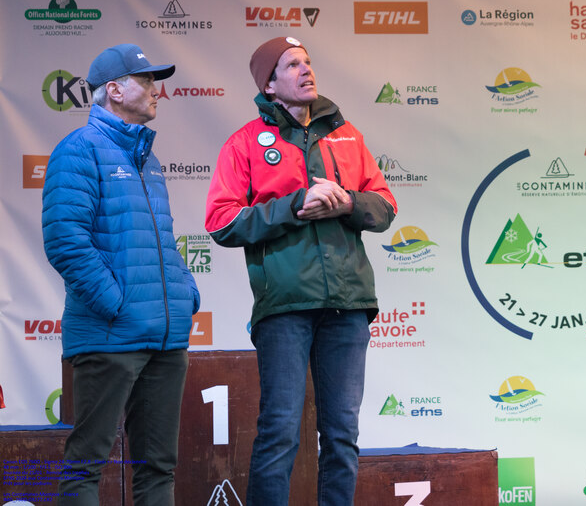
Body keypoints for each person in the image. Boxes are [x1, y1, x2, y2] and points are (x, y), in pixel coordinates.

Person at [205, 36, 397, 505]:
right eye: (291, 64)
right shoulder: (244, 143)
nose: (306, 69)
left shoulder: (347, 135)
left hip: (348, 305)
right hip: (285, 307)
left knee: (342, 435)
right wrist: (294, 205)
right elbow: (221, 222)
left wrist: (347, 202)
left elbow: (386, 206)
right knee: (279, 432)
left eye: (308, 61)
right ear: (269, 86)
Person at [41, 43, 200, 506]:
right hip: (110, 336)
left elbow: (160, 241)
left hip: (165, 339)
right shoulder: (79, 149)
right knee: (86, 466)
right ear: (114, 90)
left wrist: (185, 293)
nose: (156, 90)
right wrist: (118, 304)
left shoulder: (148, 159)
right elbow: (65, 241)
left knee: (158, 468)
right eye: (146, 81)